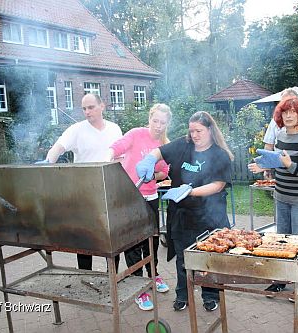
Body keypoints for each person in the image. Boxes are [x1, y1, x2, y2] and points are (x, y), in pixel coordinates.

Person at [136, 111, 234, 312]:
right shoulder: (184, 144)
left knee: (207, 257)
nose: (194, 135)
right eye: (191, 131)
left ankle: (210, 295)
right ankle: (183, 294)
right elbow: (160, 151)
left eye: (199, 131)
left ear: (210, 130)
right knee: (182, 257)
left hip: (208, 215)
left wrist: (190, 191)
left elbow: (218, 184)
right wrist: (149, 160)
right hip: (181, 214)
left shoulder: (219, 154)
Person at [248, 97, 298, 301]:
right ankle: (281, 281)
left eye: (293, 112)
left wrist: (291, 165)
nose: (288, 116)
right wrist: (267, 166)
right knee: (281, 241)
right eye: (284, 112)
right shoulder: (281, 136)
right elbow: (279, 163)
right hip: (281, 197)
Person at [45, 93, 123, 271]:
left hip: (110, 190)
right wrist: (48, 163)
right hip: (84, 193)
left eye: (91, 107)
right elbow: (58, 147)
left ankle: (112, 274)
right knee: (85, 237)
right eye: (84, 108)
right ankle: (85, 274)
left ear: (101, 106)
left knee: (111, 236)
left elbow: (122, 155)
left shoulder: (115, 129)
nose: (87, 112)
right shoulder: (76, 129)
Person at [107, 104, 172, 311]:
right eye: (155, 121)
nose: (158, 126)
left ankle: (153, 275)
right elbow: (117, 147)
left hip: (151, 196)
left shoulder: (165, 144)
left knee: (151, 240)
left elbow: (164, 172)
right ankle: (137, 286)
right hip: (129, 196)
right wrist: (107, 156)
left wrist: (153, 175)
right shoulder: (136, 134)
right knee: (133, 243)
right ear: (150, 118)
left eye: (163, 122)